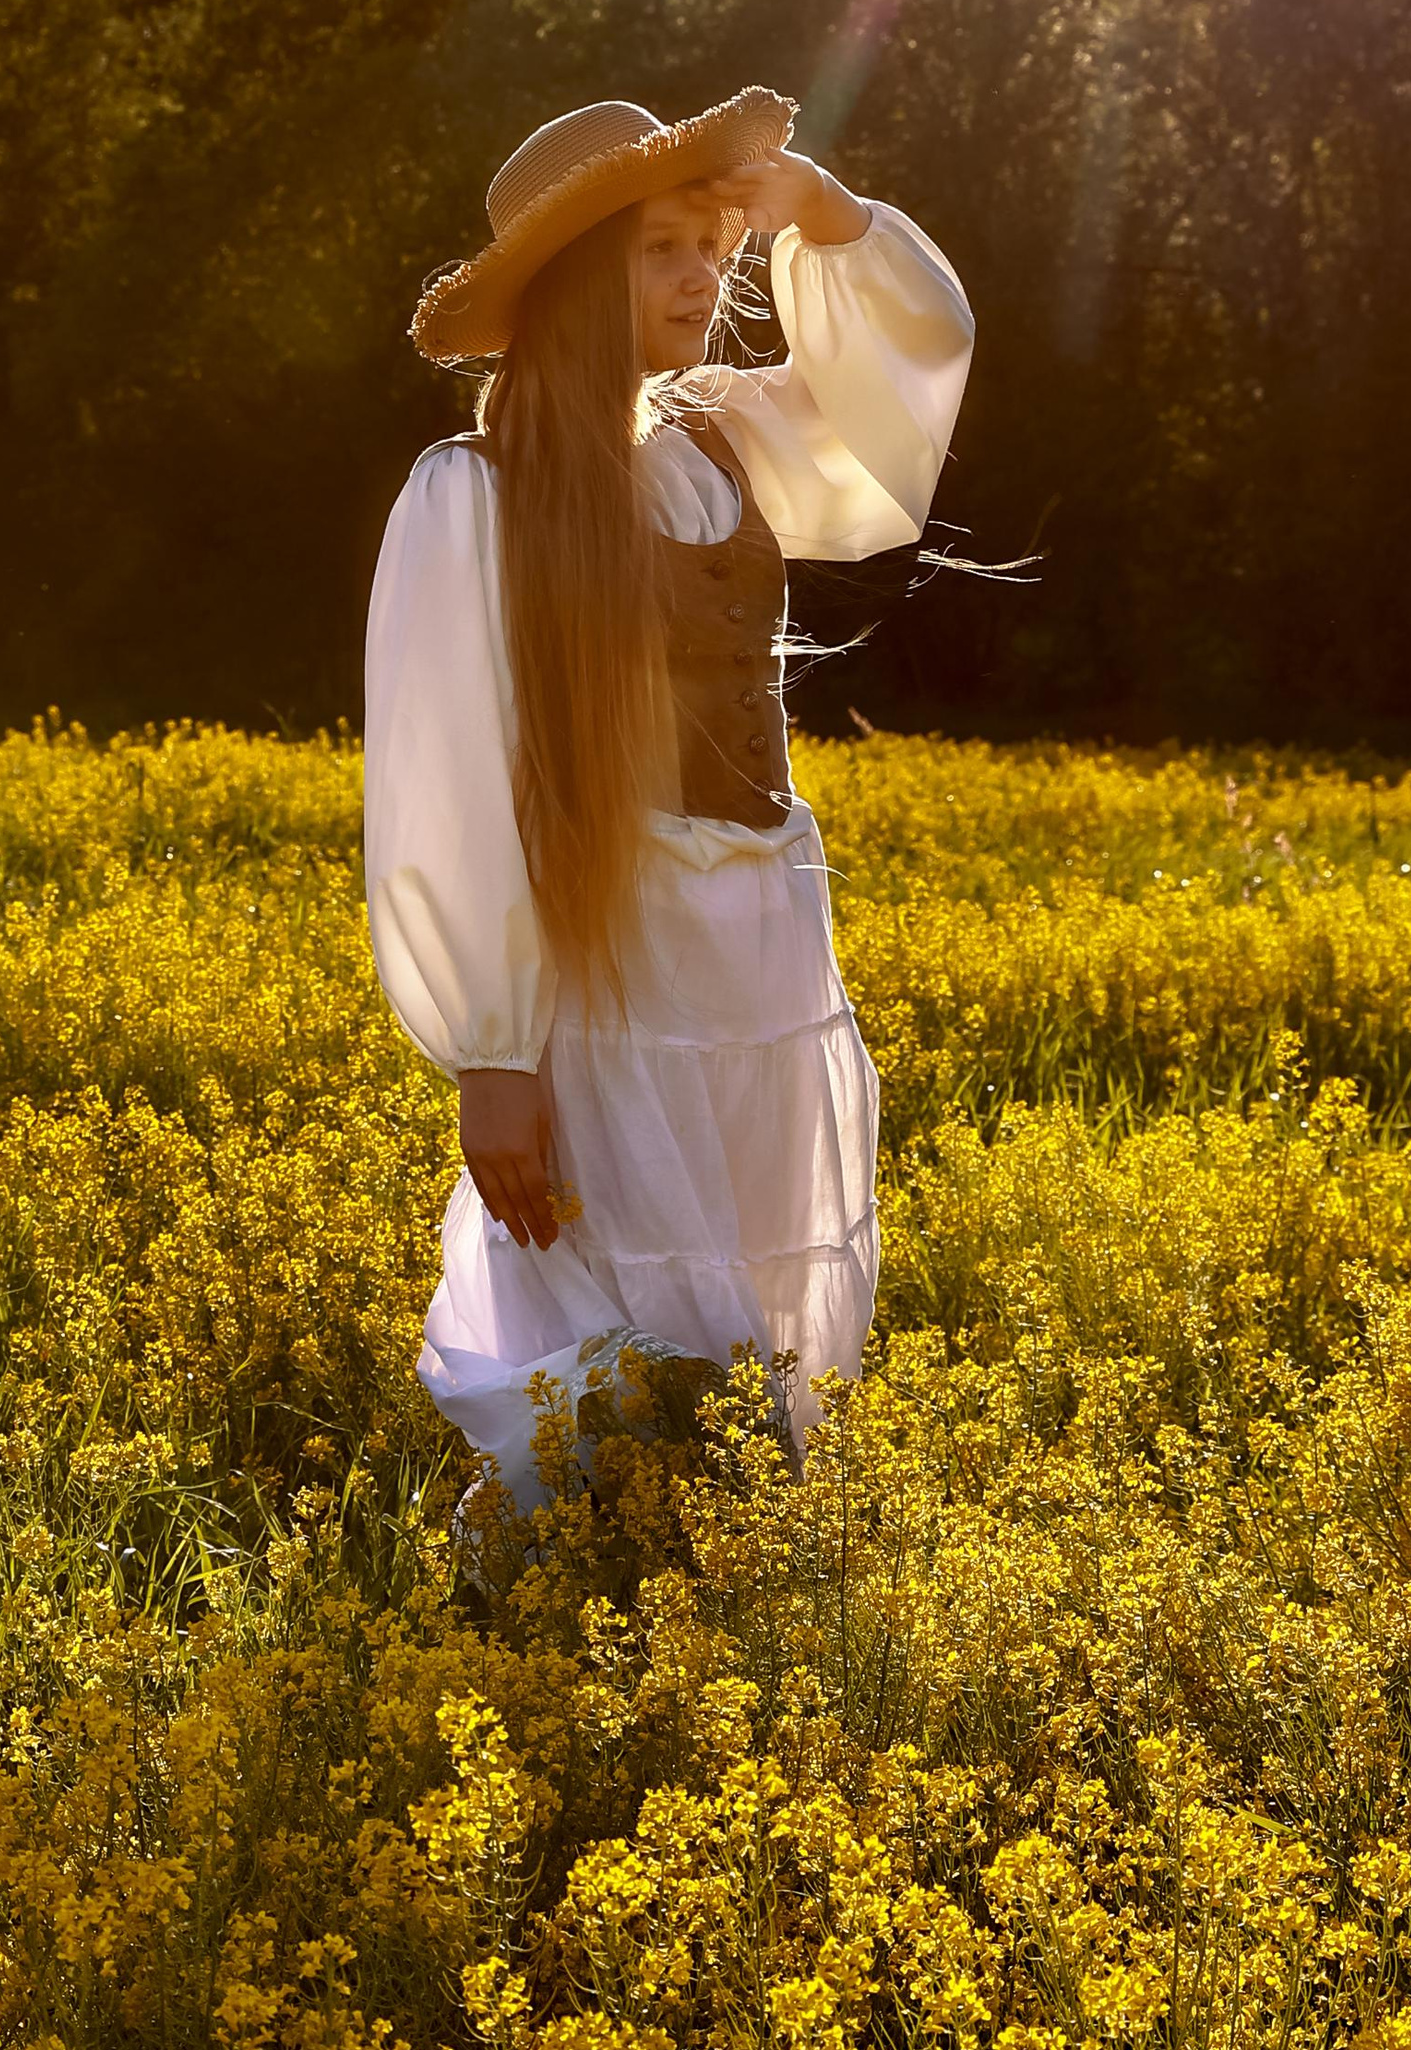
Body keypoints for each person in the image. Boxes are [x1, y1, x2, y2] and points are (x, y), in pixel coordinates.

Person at [363, 87, 974, 1510]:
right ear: (580, 283)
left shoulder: (725, 441)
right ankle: (573, 1564)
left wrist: (818, 212)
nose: (707, 277)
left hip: (757, 943)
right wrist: (491, 1050)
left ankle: (719, 1554)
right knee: (627, 1269)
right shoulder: (480, 494)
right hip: (608, 957)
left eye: (714, 246)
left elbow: (907, 394)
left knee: (754, 1270)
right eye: (661, 252)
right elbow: (445, 786)